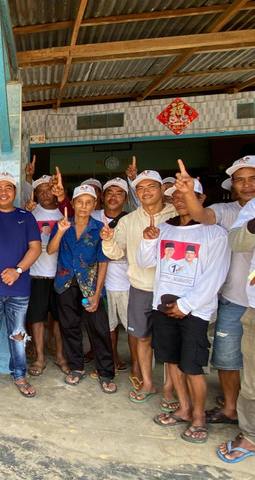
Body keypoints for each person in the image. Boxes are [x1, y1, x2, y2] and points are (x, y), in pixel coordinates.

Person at [139, 180, 229, 444]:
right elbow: (146, 262)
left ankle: (199, 416)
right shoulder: (164, 229)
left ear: (201, 198)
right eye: (175, 196)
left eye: (186, 195)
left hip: (195, 311)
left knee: (192, 366)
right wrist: (147, 241)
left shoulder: (215, 233)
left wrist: (186, 305)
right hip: (163, 306)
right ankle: (184, 408)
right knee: (172, 361)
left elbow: (216, 276)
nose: (179, 200)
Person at [176, 156, 255, 427]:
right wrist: (188, 194)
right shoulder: (226, 210)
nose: (247, 185)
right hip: (235, 298)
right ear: (232, 184)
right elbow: (201, 215)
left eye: (252, 178)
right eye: (240, 180)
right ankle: (231, 408)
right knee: (227, 358)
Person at [101, 170, 177, 401]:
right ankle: (147, 383)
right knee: (142, 337)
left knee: (171, 342)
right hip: (140, 287)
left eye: (151, 186)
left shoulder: (177, 214)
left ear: (162, 189)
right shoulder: (129, 220)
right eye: (140, 188)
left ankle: (170, 389)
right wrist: (108, 239)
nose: (146, 192)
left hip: (170, 289)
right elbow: (115, 252)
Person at [0, 172, 41, 397]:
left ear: (14, 192)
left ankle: (19, 374)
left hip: (19, 287)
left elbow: (35, 248)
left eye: (8, 188)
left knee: (18, 333)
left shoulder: (26, 217)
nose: (3, 192)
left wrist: (18, 271)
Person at [48, 185, 116, 393]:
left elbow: (103, 262)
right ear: (73, 203)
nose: (84, 206)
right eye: (80, 201)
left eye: (89, 202)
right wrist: (60, 231)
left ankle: (106, 372)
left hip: (90, 286)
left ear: (95, 205)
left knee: (99, 329)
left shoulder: (99, 228)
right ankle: (76, 367)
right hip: (65, 284)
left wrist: (97, 294)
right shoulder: (62, 224)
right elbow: (51, 249)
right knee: (69, 327)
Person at [218, 196, 255, 462]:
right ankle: (251, 436)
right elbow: (237, 241)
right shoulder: (253, 208)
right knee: (251, 381)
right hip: (251, 304)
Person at [24, 175, 66, 377]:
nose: (44, 193)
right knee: (37, 319)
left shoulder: (64, 211)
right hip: (37, 275)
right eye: (39, 190)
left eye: (48, 189)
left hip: (60, 275)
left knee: (58, 319)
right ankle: (40, 357)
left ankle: (60, 355)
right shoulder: (30, 212)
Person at [91, 178, 131, 375]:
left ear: (126, 198)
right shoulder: (94, 215)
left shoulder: (131, 219)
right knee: (107, 326)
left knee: (132, 329)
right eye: (109, 192)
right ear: (102, 197)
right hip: (101, 281)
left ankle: (138, 369)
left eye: (119, 193)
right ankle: (111, 358)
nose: (113, 197)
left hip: (126, 282)